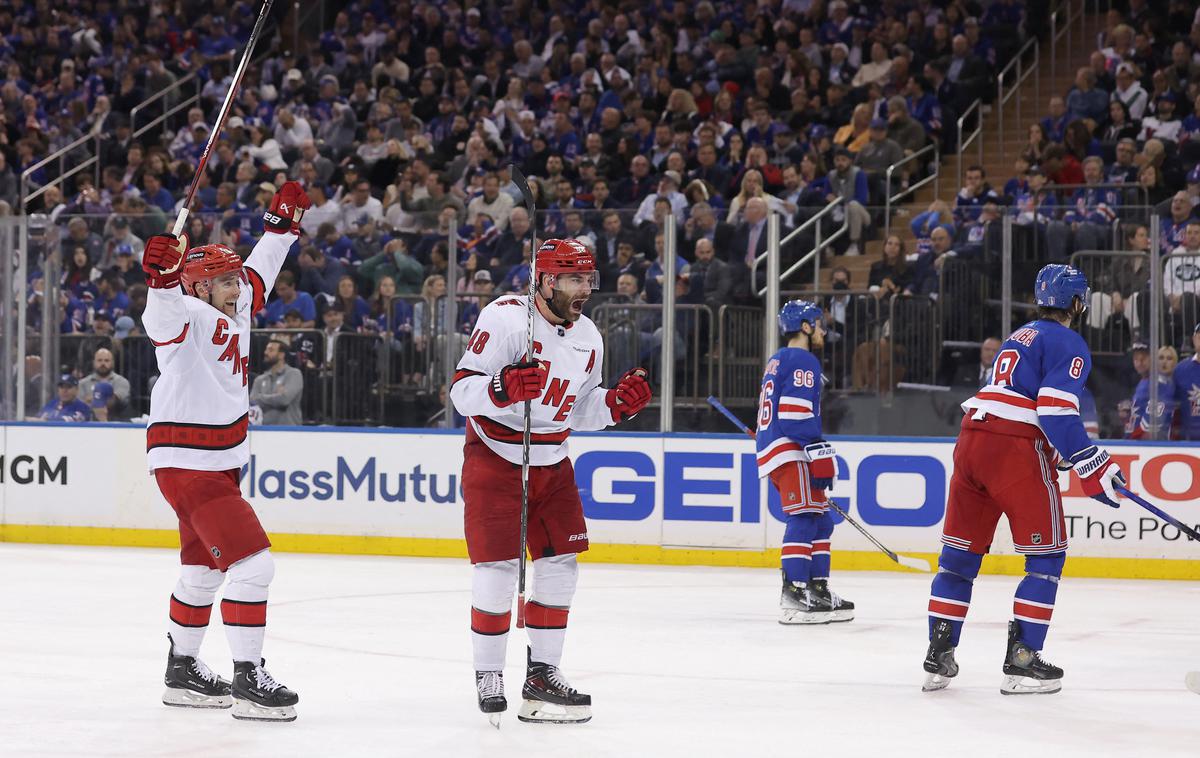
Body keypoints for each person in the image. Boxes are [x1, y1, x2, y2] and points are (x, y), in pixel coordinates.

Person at [449, 239, 652, 725]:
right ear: (546, 280)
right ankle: (489, 672)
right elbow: (461, 392)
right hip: (496, 457)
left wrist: (613, 407)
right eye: (575, 279)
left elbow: (579, 409)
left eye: (589, 279)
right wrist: (500, 388)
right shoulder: (504, 318)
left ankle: (542, 674)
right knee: (497, 570)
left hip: (553, 462)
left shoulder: (589, 337)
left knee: (561, 565)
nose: (585, 289)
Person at [141, 181, 310, 721]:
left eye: (233, 279)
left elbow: (260, 273)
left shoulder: (235, 308)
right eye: (221, 282)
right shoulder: (184, 315)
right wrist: (160, 278)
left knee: (203, 569)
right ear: (196, 287)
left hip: (213, 462)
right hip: (191, 464)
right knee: (255, 566)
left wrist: (280, 230)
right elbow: (160, 317)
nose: (236, 289)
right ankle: (247, 680)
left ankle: (182, 670)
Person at [923, 265, 1127, 696]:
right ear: (1076, 302)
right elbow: (1053, 409)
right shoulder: (1069, 342)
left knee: (957, 561)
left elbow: (1020, 402)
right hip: (1013, 450)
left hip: (971, 440)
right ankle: (1022, 663)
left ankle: (937, 656)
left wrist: (1072, 457)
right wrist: (1093, 462)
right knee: (1047, 558)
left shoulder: (1020, 335)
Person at [756, 300, 854, 625]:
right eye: (819, 324)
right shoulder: (803, 358)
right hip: (793, 449)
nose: (823, 330)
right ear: (806, 327)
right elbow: (795, 414)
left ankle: (818, 589)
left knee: (822, 520)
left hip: (781, 447)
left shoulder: (778, 359)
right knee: (805, 516)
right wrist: (818, 451)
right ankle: (794, 592)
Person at [249, 339, 304, 425]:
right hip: (263, 431)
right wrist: (277, 396)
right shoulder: (259, 379)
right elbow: (252, 401)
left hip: (290, 431)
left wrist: (261, 397)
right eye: (266, 349)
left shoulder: (294, 374)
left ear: (281, 355)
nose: (266, 353)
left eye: (270, 350)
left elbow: (284, 400)